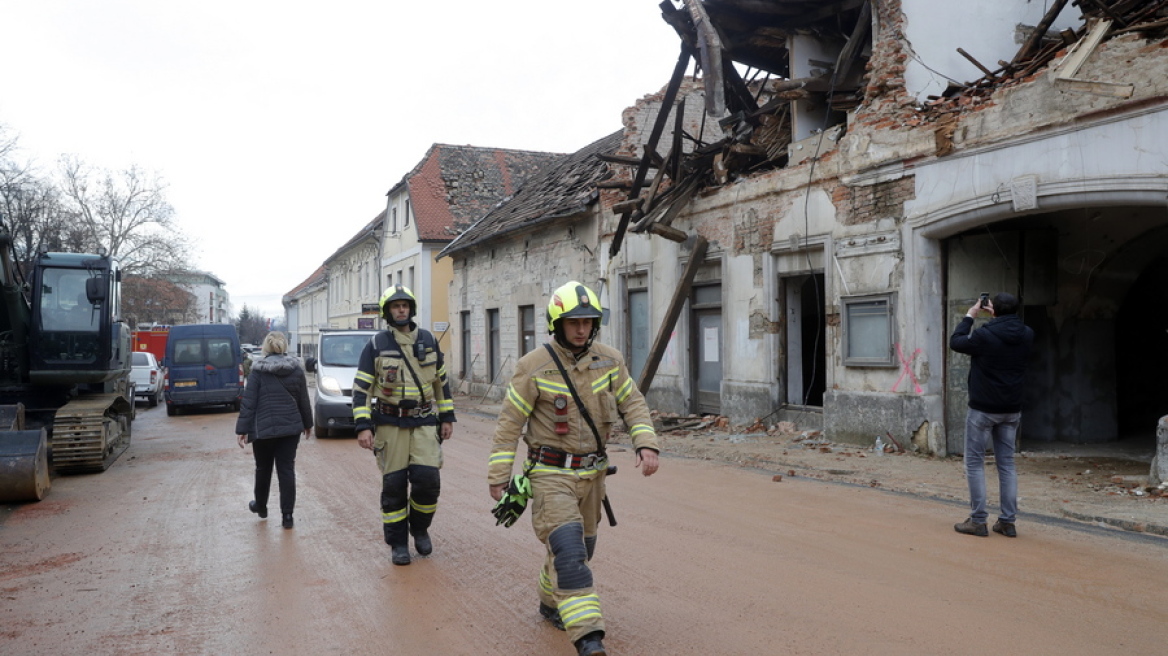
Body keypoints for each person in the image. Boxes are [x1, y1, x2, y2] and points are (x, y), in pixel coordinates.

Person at [488, 281, 660, 656]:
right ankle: (588, 638)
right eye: (573, 322)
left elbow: (633, 402)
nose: (581, 329)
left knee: (583, 548)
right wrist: (499, 475)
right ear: (557, 323)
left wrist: (645, 443)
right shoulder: (532, 367)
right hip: (550, 475)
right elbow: (509, 424)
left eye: (587, 321)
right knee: (568, 551)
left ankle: (551, 601)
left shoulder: (610, 360)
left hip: (593, 476)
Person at [353, 285, 455, 566]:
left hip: (423, 422)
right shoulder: (376, 345)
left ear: (411, 309)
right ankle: (398, 543)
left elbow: (441, 384)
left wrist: (446, 417)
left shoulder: (429, 341)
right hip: (390, 424)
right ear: (388, 311)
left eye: (405, 306)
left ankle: (420, 529)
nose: (401, 310)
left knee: (428, 482)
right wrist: (363, 426)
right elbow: (361, 390)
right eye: (396, 306)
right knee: (394, 486)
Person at [949, 292, 1034, 538]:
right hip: (1012, 408)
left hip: (983, 407)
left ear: (992, 308)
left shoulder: (984, 335)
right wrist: (996, 316)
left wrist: (970, 316)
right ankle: (1007, 521)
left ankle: (978, 520)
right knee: (1006, 464)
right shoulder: (1027, 333)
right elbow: (1007, 333)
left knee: (974, 463)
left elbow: (957, 341)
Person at [235, 331, 313, 530]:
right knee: (286, 470)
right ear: (284, 346)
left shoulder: (258, 371)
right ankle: (287, 516)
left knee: (263, 468)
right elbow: (303, 399)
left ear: (266, 348)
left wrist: (242, 429)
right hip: (290, 430)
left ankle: (260, 506)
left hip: (263, 430)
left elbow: (249, 403)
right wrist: (307, 424)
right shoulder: (296, 370)